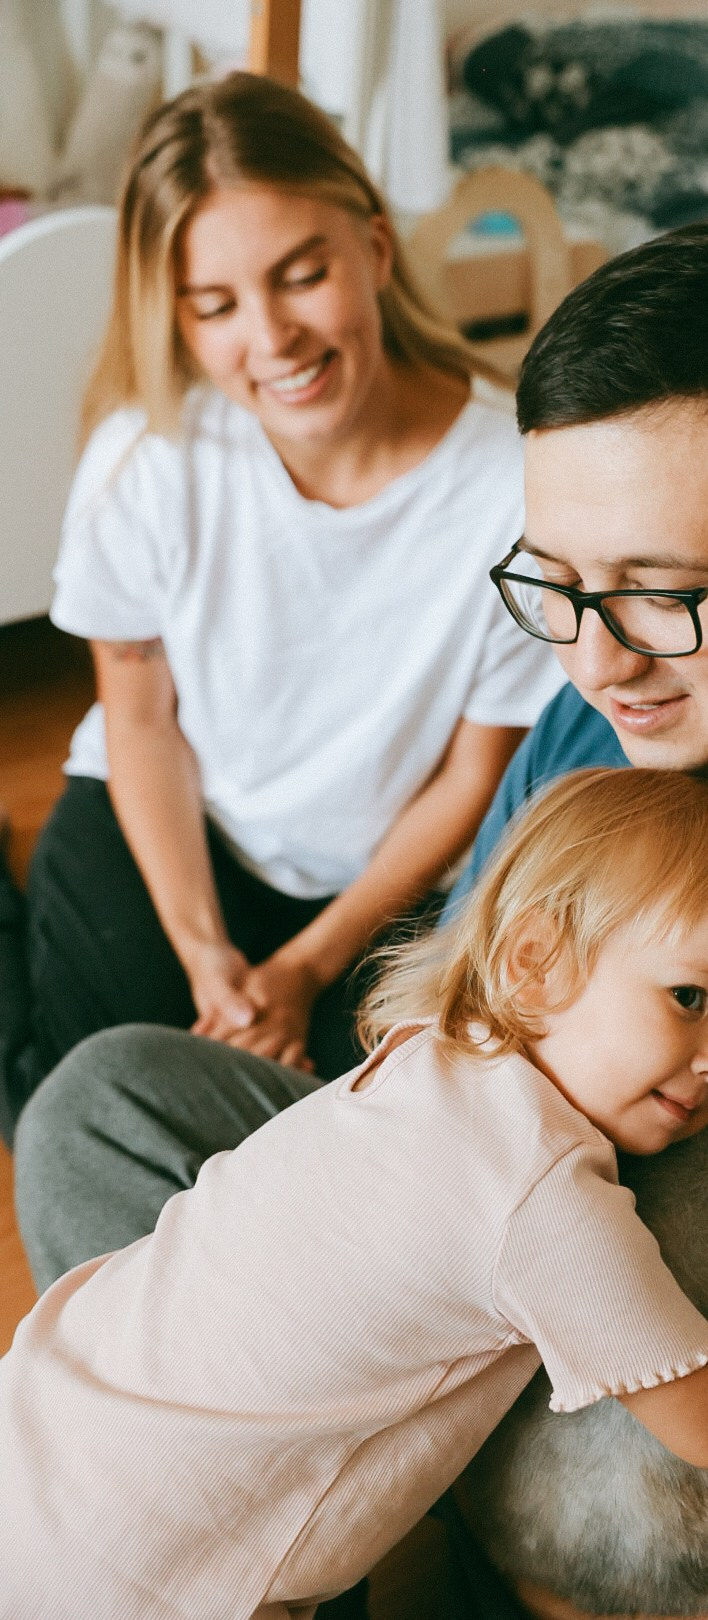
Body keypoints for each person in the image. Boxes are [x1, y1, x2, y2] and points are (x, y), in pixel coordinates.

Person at [15, 222, 708, 1618]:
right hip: (512, 1295)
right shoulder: (627, 697)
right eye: (555, 584)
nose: (590, 656)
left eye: (655, 591)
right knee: (105, 1107)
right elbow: (461, 1041)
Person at [0, 769, 708, 1620]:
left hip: (45, 1430)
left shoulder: (427, 1051)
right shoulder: (541, 1195)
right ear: (535, 963)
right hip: (160, 1574)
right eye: (690, 997)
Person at [0, 70, 560, 1125]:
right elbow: (140, 721)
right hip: (174, 827)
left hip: (387, 884)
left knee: (325, 1135)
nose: (272, 339)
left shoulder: (514, 488)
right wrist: (209, 957)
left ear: (375, 251)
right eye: (215, 306)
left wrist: (304, 967)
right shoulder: (148, 461)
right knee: (66, 1106)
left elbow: (472, 776)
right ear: (179, 318)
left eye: (302, 275)